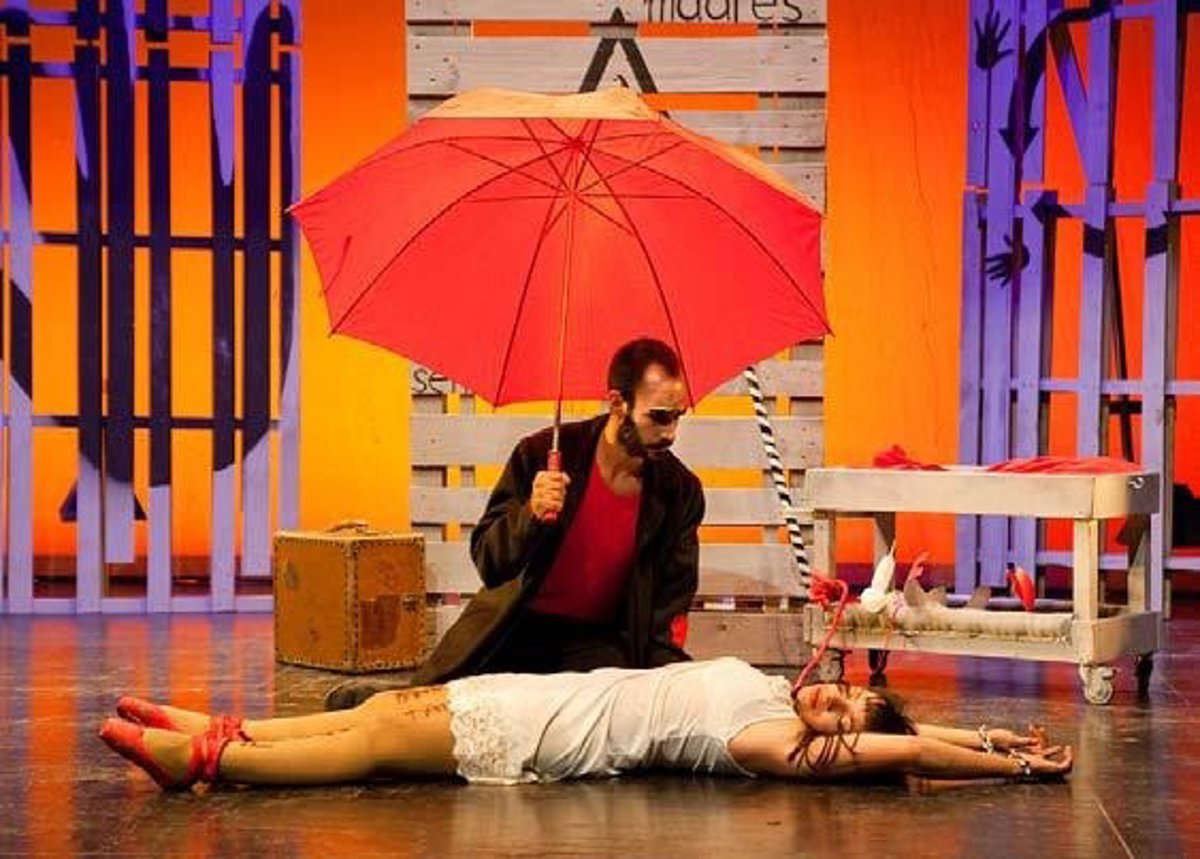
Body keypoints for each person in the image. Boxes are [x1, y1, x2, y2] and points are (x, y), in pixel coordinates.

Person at [326, 337, 705, 708]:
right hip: (516, 624)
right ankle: (381, 702)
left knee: (584, 720)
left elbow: (670, 603)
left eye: (678, 417)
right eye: (659, 417)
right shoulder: (543, 453)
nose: (670, 432)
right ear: (617, 403)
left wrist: (667, 689)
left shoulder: (679, 493)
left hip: (598, 643)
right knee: (448, 711)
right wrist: (530, 516)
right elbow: (489, 562)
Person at [99, 657, 1073, 790]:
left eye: (847, 718)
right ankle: (225, 726)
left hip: (544, 737)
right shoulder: (773, 690)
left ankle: (204, 763)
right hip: (536, 690)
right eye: (846, 692)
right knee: (376, 708)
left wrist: (1010, 770)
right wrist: (992, 732)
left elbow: (906, 746)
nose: (835, 703)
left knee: (372, 747)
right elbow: (917, 727)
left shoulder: (771, 743)